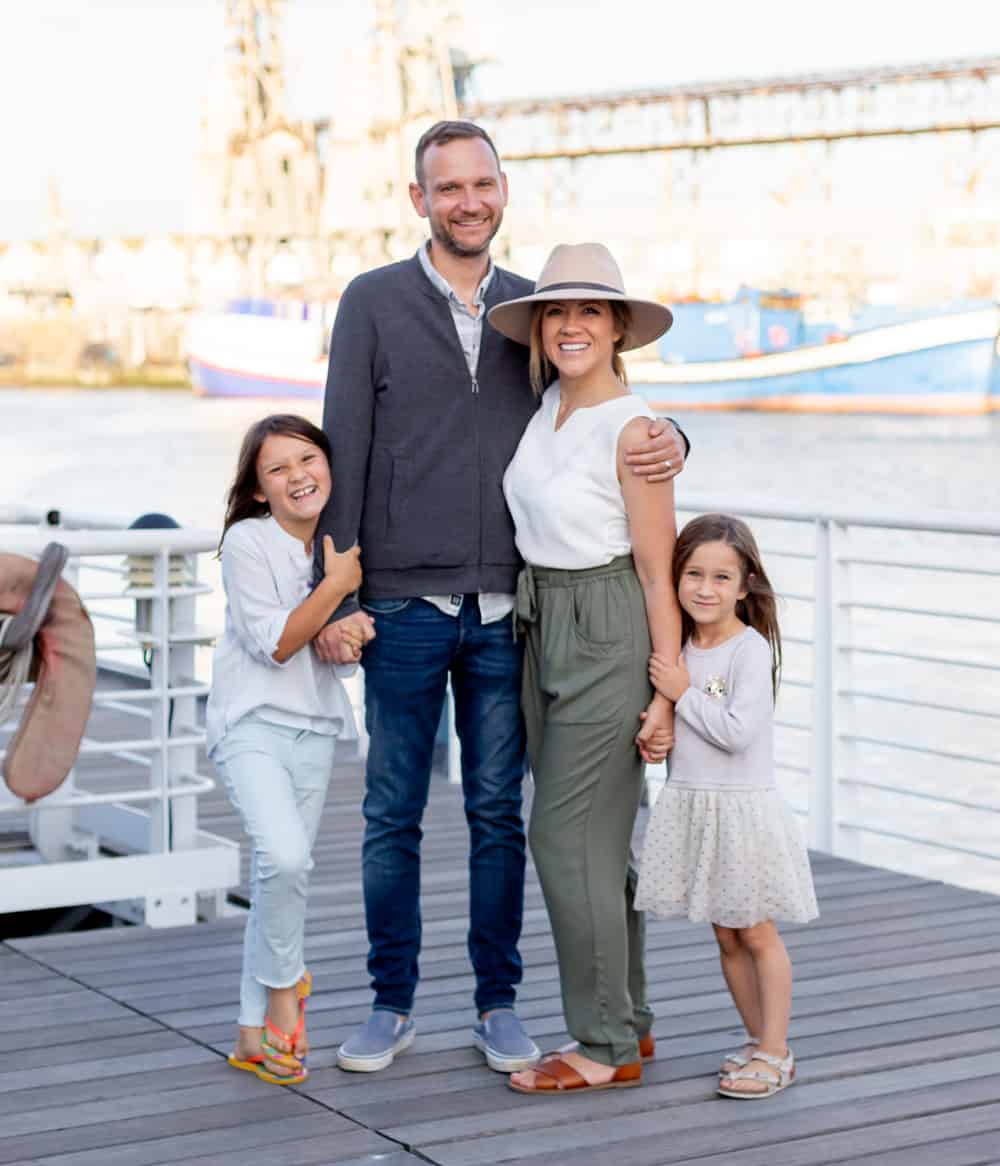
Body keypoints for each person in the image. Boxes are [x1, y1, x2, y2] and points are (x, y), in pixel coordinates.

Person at [312, 120, 689, 1075]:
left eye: (482, 184)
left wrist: (675, 436)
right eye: (449, 188)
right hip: (399, 606)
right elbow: (342, 442)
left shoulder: (536, 308)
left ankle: (498, 1002)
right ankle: (391, 1003)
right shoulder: (372, 301)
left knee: (497, 815)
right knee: (391, 812)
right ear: (420, 200)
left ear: (503, 191)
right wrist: (336, 591)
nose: (468, 201)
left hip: (509, 613)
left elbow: (606, 404)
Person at [486, 242, 681, 1095]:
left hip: (608, 625)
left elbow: (657, 569)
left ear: (618, 329)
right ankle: (628, 1022)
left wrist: (665, 689)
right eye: (556, 312)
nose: (571, 326)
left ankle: (600, 1045)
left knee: (562, 836)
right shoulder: (547, 410)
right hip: (542, 624)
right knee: (600, 844)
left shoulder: (636, 431)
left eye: (590, 312)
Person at [634, 513, 819, 1099]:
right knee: (727, 936)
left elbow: (738, 733)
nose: (705, 589)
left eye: (721, 578)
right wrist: (660, 731)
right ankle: (757, 1038)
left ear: (744, 586)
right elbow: (684, 727)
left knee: (757, 933)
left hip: (741, 814)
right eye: (693, 574)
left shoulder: (748, 651)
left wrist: (681, 692)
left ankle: (777, 1051)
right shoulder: (680, 648)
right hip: (696, 806)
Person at [207, 414, 362, 1086]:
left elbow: (338, 653)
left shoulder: (342, 543)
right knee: (285, 856)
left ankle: (250, 1032)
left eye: (308, 459)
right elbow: (274, 643)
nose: (297, 476)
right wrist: (336, 589)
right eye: (277, 469)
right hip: (251, 724)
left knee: (281, 875)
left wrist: (349, 632)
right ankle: (282, 997)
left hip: (316, 727)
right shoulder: (248, 542)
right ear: (258, 489)